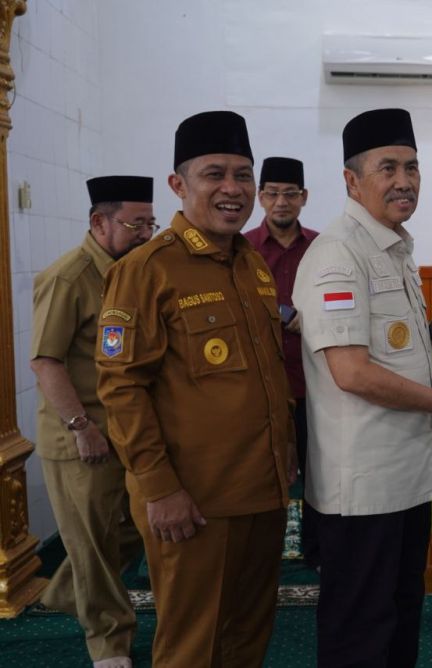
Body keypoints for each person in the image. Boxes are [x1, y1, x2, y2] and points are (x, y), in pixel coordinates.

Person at [293, 108, 432, 668]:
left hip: (402, 479)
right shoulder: (339, 254)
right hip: (363, 489)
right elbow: (352, 372)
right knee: (360, 634)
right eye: (387, 168)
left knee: (399, 620)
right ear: (351, 180)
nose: (404, 181)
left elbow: (389, 352)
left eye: (412, 167)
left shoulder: (393, 248)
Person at [95, 111, 296, 668]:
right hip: (193, 501)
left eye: (243, 175)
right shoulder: (147, 269)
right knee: (193, 646)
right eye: (214, 174)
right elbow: (121, 387)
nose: (233, 188)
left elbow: (268, 371)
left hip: (262, 491)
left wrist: (285, 453)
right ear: (178, 184)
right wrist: (159, 488)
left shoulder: (252, 265)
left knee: (247, 636)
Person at [31, 176, 154, 668]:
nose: (146, 234)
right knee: (95, 545)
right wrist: (81, 427)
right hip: (81, 435)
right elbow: (45, 361)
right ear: (99, 222)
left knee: (138, 525)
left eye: (151, 223)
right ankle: (109, 642)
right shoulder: (69, 277)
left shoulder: (133, 272)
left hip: (126, 427)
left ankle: (69, 587)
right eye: (135, 224)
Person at [244, 156, 320, 568]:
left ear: (303, 197)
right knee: (264, 475)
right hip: (263, 387)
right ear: (260, 197)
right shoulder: (243, 249)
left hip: (316, 384)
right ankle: (262, 557)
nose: (281, 202)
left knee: (318, 473)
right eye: (272, 193)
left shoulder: (323, 248)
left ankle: (318, 551)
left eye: (290, 194)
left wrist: (314, 319)